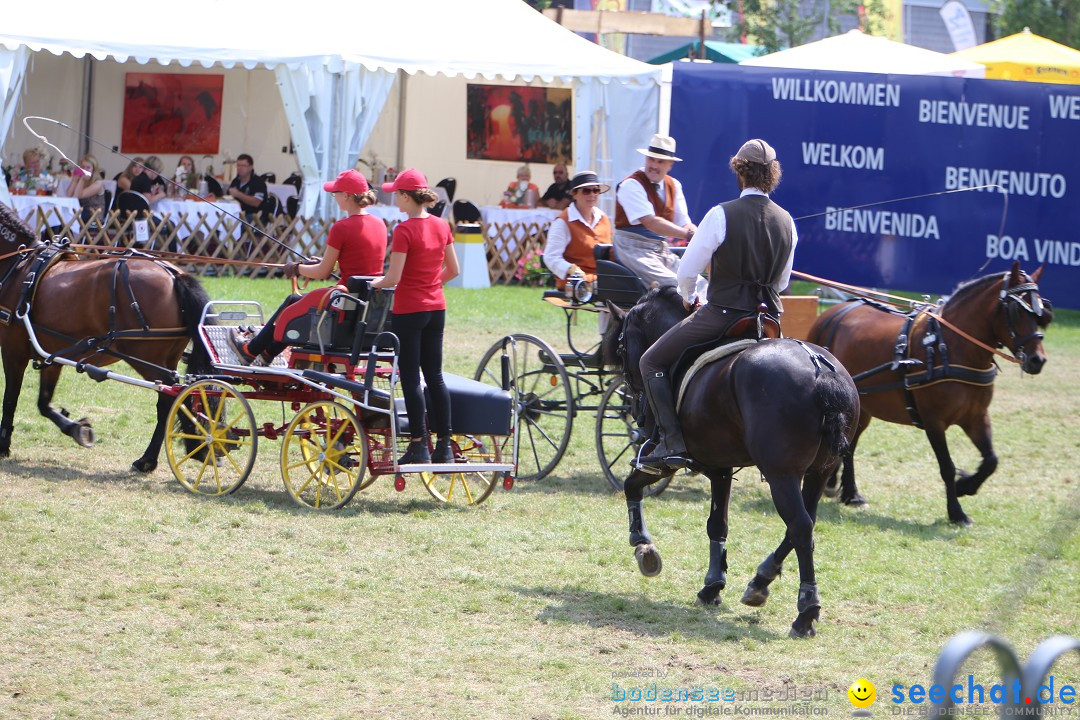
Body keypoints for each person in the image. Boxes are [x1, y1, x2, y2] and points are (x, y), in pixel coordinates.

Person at [636, 138, 797, 472]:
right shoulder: (788, 221)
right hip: (769, 321)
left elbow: (687, 270)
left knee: (651, 360)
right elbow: (781, 283)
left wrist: (689, 295)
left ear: (739, 171)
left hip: (723, 315)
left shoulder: (720, 214)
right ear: (773, 176)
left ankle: (671, 441)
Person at [228, 170, 388, 365]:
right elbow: (360, 263)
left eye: (335, 193)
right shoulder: (380, 224)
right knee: (296, 301)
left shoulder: (342, 227)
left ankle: (250, 350)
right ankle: (267, 352)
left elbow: (322, 272)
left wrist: (297, 268)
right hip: (366, 302)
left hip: (343, 301)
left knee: (293, 300)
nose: (335, 198)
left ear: (346, 196)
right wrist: (323, 261)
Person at [372, 168, 460, 465]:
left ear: (407, 197)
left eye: (397, 193)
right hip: (437, 307)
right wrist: (432, 283)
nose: (394, 197)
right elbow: (454, 270)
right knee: (434, 376)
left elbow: (393, 276)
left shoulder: (404, 230)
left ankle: (419, 444)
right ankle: (445, 445)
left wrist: (374, 283)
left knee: (410, 377)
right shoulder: (441, 224)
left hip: (410, 309)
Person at [613, 133, 696, 289]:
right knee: (677, 284)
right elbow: (650, 222)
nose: (654, 165)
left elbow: (685, 223)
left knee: (698, 283)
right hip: (632, 248)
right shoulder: (631, 185)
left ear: (670, 165)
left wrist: (701, 236)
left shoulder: (674, 185)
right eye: (651, 159)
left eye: (660, 161)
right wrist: (688, 235)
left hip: (660, 249)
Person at [542, 170, 611, 290]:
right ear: (574, 194)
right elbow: (550, 257)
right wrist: (571, 269)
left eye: (595, 190)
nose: (592, 195)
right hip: (574, 282)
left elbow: (610, 252)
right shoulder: (563, 221)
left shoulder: (603, 218)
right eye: (586, 191)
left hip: (602, 279)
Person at [64, 154, 107, 223]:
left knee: (68, 215)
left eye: (88, 167)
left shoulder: (98, 183)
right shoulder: (81, 180)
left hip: (93, 213)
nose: (85, 170)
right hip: (81, 210)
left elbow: (78, 196)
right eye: (83, 167)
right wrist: (74, 180)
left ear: (93, 170)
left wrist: (82, 180)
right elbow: (68, 196)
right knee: (62, 213)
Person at [227, 153, 268, 219]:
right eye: (238, 165)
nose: (240, 168)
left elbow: (256, 202)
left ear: (250, 167)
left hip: (253, 215)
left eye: (243, 166)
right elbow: (228, 196)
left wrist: (238, 194)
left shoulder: (258, 182)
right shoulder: (236, 181)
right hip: (236, 213)